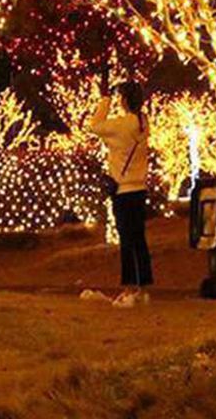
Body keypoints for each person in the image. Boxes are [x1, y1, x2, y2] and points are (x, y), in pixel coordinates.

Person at [89, 75, 153, 306]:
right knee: (139, 239)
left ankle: (129, 288)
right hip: (139, 188)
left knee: (127, 240)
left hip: (123, 190)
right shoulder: (143, 122)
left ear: (124, 100)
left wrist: (104, 100)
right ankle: (143, 288)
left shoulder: (122, 124)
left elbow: (94, 125)